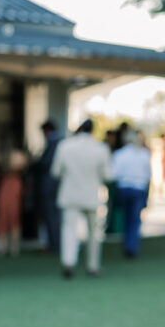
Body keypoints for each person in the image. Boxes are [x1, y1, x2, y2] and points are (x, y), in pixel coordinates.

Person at [51, 119, 112, 278]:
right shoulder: (101, 148)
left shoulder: (64, 146)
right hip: (92, 195)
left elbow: (56, 172)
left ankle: (68, 262)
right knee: (94, 232)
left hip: (70, 195)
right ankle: (93, 266)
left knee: (69, 230)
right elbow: (108, 175)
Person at [111, 130, 152, 258]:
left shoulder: (120, 154)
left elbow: (114, 174)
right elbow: (148, 175)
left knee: (127, 218)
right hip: (138, 189)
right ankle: (131, 245)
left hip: (124, 188)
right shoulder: (144, 154)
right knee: (134, 219)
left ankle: (128, 244)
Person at [0, 149, 27, 257]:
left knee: (14, 215)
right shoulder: (1, 162)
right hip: (6, 187)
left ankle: (14, 247)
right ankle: (2, 246)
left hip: (14, 187)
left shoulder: (19, 161)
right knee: (3, 215)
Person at [36, 120, 61, 253]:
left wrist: (34, 163)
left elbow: (45, 164)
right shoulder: (57, 143)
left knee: (51, 215)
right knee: (53, 216)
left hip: (50, 186)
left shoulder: (55, 143)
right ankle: (54, 244)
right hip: (53, 186)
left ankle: (54, 245)